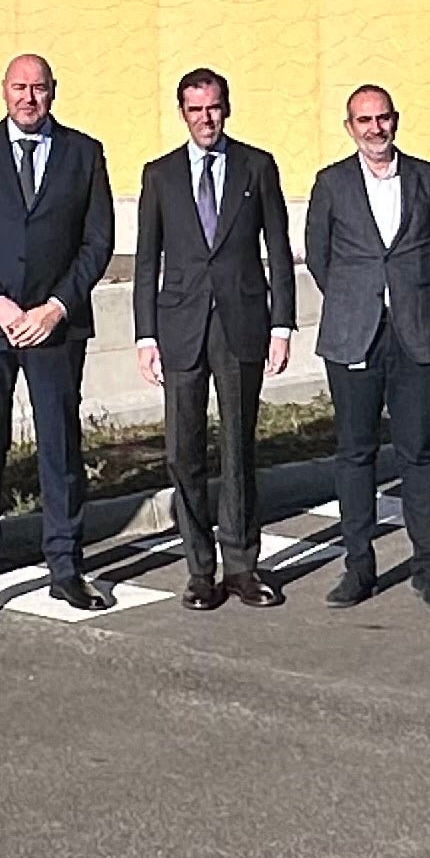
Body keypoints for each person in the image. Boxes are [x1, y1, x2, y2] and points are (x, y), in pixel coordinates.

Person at [0, 53, 116, 620]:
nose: (29, 98)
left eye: (39, 88)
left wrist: (56, 307)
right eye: (20, 87)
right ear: (4, 91)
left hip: (55, 326)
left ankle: (65, 567)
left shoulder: (85, 153)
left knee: (60, 448)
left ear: (54, 91)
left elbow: (98, 240)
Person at [131, 67, 297, 610]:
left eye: (215, 107)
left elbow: (277, 245)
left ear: (227, 108)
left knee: (238, 449)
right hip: (180, 327)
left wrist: (282, 324)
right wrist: (145, 333)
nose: (207, 118)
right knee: (184, 452)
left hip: (241, 324)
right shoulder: (160, 175)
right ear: (182, 113)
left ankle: (243, 565)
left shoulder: (256, 165)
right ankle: (200, 569)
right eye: (197, 109)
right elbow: (146, 259)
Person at [303, 84, 430, 610]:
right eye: (364, 120)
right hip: (353, 331)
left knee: (419, 452)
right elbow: (320, 258)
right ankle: (359, 566)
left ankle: (427, 566)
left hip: (416, 333)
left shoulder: (428, 179)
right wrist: (359, 300)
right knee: (355, 454)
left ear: (396, 120)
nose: (375, 128)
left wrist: (403, 297)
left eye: (383, 118)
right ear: (350, 127)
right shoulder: (331, 183)